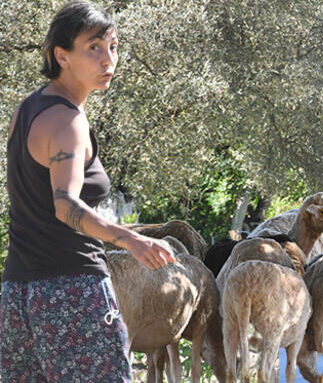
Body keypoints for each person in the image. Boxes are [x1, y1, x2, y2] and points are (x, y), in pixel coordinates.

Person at [0, 2, 175, 381]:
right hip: (72, 293)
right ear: (61, 55)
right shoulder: (68, 121)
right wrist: (131, 240)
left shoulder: (27, 109)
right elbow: (65, 206)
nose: (107, 59)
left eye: (112, 46)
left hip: (18, 294)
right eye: (93, 48)